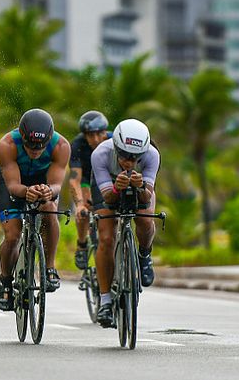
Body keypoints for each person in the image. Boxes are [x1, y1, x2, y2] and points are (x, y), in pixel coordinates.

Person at [0, 108, 71, 311]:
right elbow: (12, 186)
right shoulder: (7, 145)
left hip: (44, 182)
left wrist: (48, 191)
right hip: (15, 181)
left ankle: (50, 268)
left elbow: (56, 185)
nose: (35, 150)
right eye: (30, 145)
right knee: (12, 235)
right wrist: (26, 191)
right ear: (22, 136)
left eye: (41, 146)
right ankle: (5, 282)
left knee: (49, 208)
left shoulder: (61, 146)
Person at [90, 118, 160, 328]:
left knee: (145, 220)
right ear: (116, 147)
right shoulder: (100, 154)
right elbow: (108, 200)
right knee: (106, 237)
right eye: (124, 156)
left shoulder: (152, 155)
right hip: (108, 187)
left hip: (139, 189)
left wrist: (140, 188)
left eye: (135, 158)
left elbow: (147, 198)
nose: (129, 162)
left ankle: (144, 256)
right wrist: (115, 189)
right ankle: (105, 300)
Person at [69, 111, 112, 270]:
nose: (95, 139)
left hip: (108, 179)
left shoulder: (115, 139)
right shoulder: (78, 145)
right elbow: (75, 178)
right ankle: (82, 244)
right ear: (84, 135)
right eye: (90, 135)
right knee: (84, 210)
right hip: (87, 180)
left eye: (99, 134)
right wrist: (80, 204)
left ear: (105, 132)